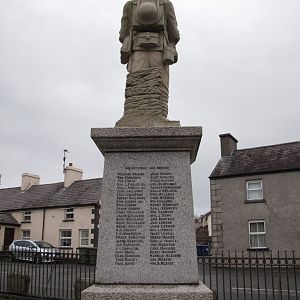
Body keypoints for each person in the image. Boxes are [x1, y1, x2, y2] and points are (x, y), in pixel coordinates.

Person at [119, 0, 180, 119]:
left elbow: (123, 34)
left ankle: (132, 116)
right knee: (160, 86)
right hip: (160, 53)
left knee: (136, 85)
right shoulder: (166, 4)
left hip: (137, 52)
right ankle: (161, 116)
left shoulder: (130, 5)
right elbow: (175, 35)